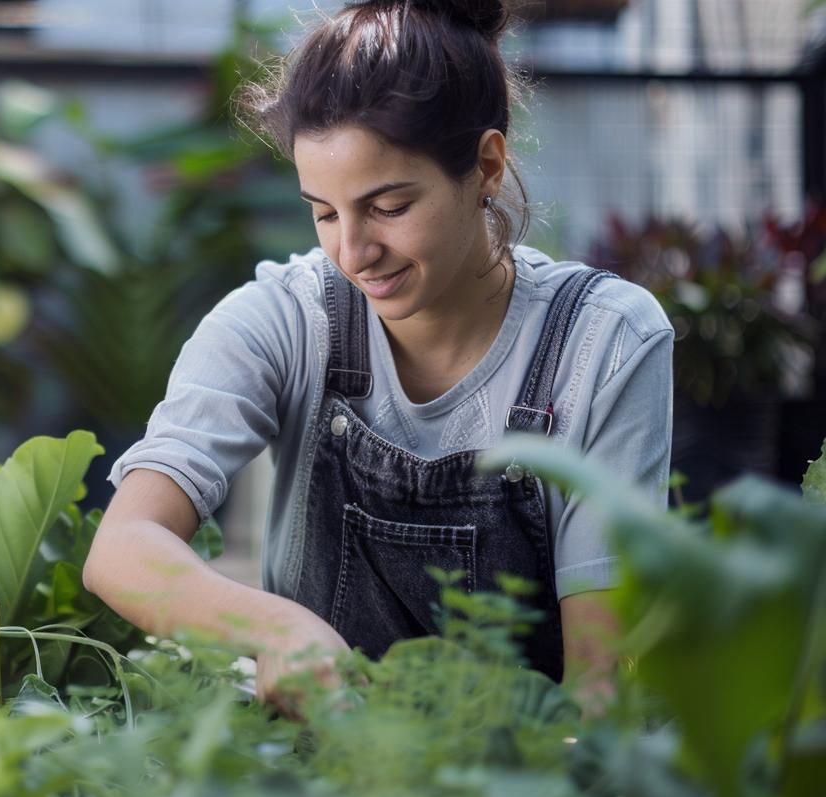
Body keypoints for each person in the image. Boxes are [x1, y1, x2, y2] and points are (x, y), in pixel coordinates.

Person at [82, 0, 673, 713]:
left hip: (520, 779)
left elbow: (600, 686)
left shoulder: (604, 342)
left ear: (486, 165)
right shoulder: (286, 318)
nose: (354, 253)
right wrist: (277, 629)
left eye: (389, 206)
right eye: (325, 212)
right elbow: (125, 545)